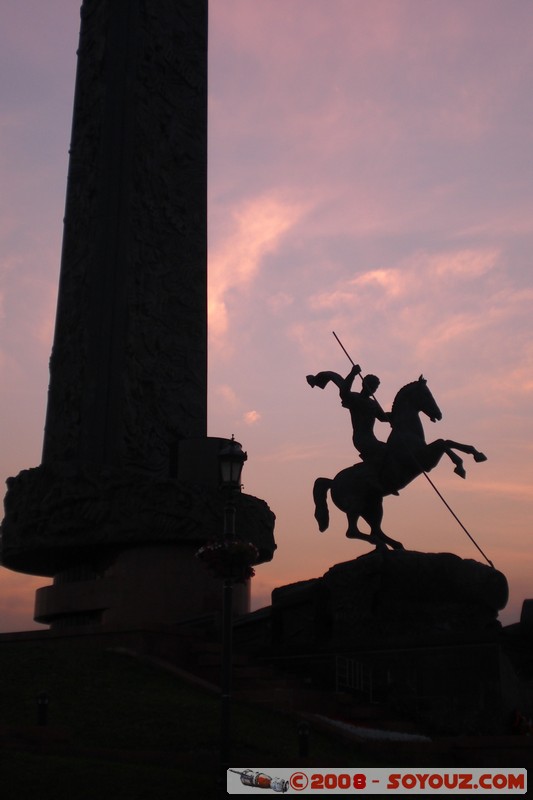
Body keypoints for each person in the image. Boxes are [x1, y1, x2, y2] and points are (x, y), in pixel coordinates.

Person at [307, 364, 396, 492]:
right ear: (365, 385)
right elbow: (344, 392)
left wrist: (398, 414)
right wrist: (353, 374)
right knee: (383, 451)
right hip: (361, 438)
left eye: (375, 388)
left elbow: (383, 417)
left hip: (371, 438)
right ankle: (370, 477)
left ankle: (380, 476)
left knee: (388, 451)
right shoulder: (355, 398)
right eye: (372, 386)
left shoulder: (372, 403)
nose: (373, 390)